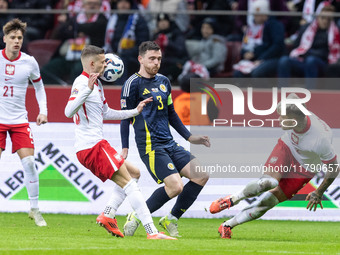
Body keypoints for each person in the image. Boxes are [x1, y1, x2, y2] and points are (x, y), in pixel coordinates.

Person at [64, 44, 175, 240]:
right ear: (91, 63)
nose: (106, 65)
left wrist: (135, 111)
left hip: (96, 145)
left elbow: (106, 112)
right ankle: (152, 232)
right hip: (91, 147)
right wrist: (86, 90)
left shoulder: (96, 84)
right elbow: (68, 111)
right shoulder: (82, 83)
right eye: (102, 61)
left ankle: (108, 214)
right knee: (129, 184)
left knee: (134, 173)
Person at [209, 93, 339, 239]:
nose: (279, 120)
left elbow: (334, 168)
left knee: (267, 203)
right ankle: (231, 199)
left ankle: (227, 225)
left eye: (283, 118)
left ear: (294, 121)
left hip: (305, 169)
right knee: (269, 182)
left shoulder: (320, 138)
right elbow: (294, 96)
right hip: (287, 148)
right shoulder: (298, 115)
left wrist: (319, 192)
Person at [120, 41, 210, 237]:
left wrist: (189, 136)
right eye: (152, 59)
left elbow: (171, 113)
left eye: (159, 59)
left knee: (201, 175)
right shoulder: (132, 84)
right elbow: (124, 117)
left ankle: (171, 219)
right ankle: (137, 216)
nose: (156, 63)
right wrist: (125, 147)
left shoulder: (164, 81)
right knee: (175, 186)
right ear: (140, 59)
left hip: (170, 143)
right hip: (151, 146)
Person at [0, 19, 48, 226]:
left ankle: (35, 209)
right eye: (13, 37)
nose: (17, 41)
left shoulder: (29, 61)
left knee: (29, 163)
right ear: (5, 39)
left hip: (19, 119)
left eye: (20, 37)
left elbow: (39, 87)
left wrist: (43, 111)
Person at [277, 2, 340, 87]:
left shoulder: (334, 33)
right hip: (303, 60)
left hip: (321, 63)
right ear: (317, 17)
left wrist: (308, 54)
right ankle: (282, 90)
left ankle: (310, 92)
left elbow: (326, 54)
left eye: (329, 19)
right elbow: (296, 46)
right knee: (284, 60)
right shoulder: (306, 28)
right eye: (323, 18)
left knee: (311, 61)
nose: (325, 21)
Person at [232, 0, 285, 78]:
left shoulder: (275, 25)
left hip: (271, 58)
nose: (256, 17)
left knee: (257, 73)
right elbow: (245, 43)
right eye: (255, 15)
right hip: (254, 59)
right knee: (238, 73)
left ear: (266, 14)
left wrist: (261, 58)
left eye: (259, 15)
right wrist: (245, 53)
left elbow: (277, 46)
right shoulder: (250, 28)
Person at [104, 0, 149, 85]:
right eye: (120, 2)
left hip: (132, 57)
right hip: (112, 54)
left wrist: (123, 53)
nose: (123, 5)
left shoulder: (138, 20)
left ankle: (121, 90)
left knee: (121, 61)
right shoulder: (111, 19)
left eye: (126, 2)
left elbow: (143, 45)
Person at [152, 13, 188, 82]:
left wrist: (168, 43)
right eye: (160, 21)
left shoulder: (176, 33)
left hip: (176, 61)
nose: (163, 23)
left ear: (169, 22)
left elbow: (181, 50)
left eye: (165, 21)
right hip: (162, 63)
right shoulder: (156, 35)